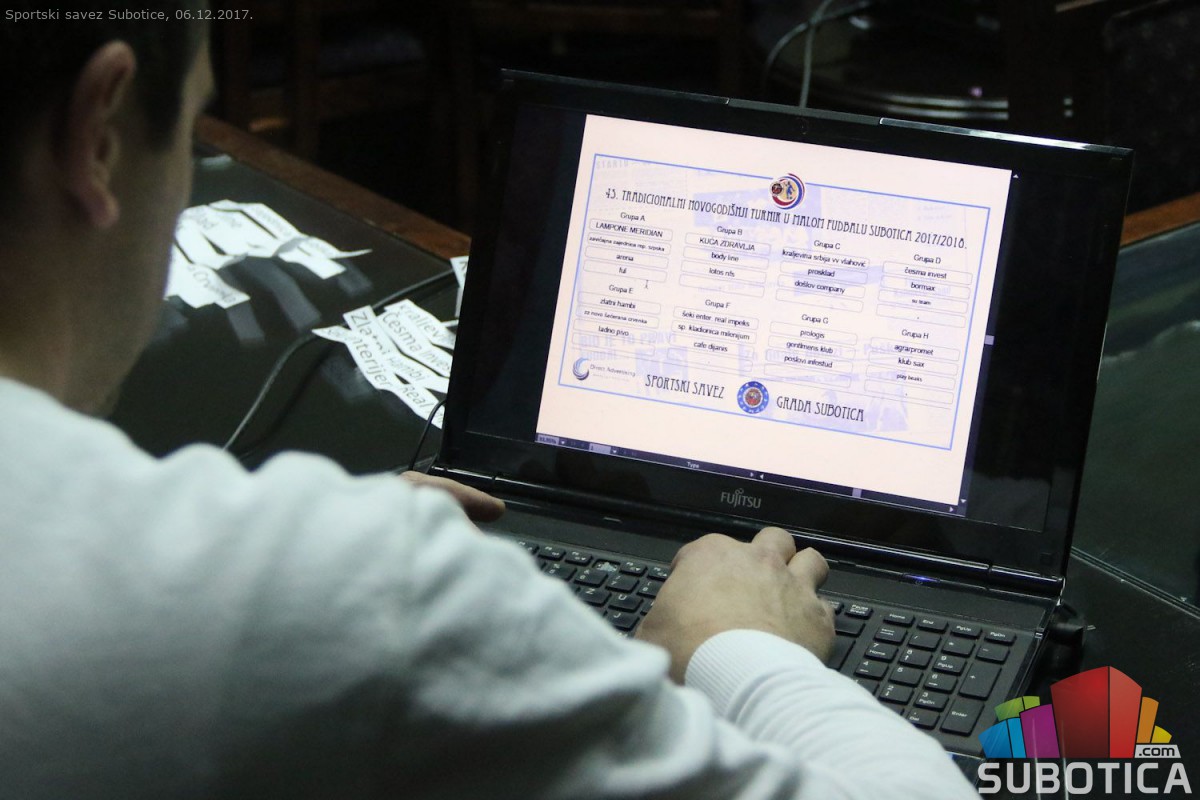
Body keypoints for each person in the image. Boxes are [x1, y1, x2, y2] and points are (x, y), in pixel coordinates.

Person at [0, 3, 978, 797]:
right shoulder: (350, 588)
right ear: (99, 134)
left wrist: (304, 556)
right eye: (192, 130)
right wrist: (745, 651)